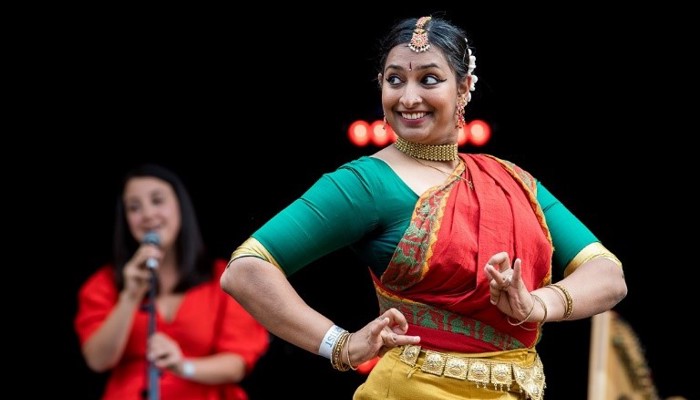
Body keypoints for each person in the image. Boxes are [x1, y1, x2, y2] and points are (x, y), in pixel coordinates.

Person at [220, 14, 627, 400]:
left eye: (429, 79)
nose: (409, 97)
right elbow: (246, 270)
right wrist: (341, 344)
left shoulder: (511, 180)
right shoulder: (366, 183)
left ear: (464, 87)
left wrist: (537, 304)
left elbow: (607, 275)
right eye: (395, 80)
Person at [75, 163, 269, 400]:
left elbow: (237, 363)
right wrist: (130, 296)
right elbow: (97, 360)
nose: (147, 214)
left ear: (180, 206)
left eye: (157, 201)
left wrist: (183, 366)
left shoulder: (224, 277)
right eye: (134, 207)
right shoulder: (103, 284)